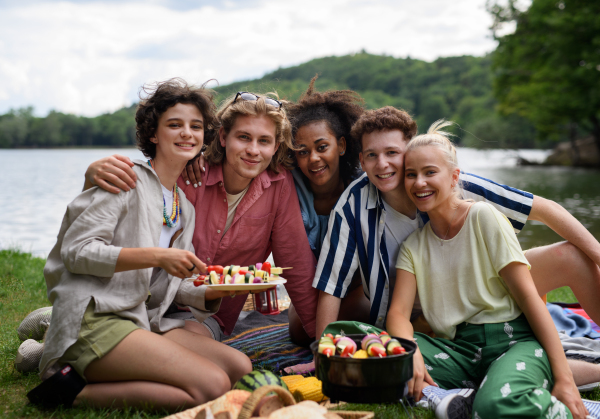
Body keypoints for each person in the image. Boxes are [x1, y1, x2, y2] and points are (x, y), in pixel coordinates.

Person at [28, 79, 252, 411]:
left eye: (196, 126)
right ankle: (66, 390)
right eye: (174, 125)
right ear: (153, 133)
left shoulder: (183, 207)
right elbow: (76, 252)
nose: (187, 133)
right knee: (213, 384)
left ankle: (101, 373)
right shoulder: (123, 178)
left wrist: (213, 291)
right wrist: (157, 256)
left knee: (239, 369)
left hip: (140, 318)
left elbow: (171, 288)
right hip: (93, 319)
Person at [313, 106, 600, 343]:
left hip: (478, 290)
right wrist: (321, 350)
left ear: (410, 150)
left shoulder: (450, 182)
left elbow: (546, 209)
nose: (382, 164)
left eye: (392, 153)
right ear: (361, 161)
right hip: (420, 315)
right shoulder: (352, 205)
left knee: (571, 257)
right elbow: (331, 286)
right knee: (302, 324)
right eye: (372, 156)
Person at [387, 120, 587, 419]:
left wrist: (565, 379)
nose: (419, 183)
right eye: (411, 175)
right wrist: (409, 348)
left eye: (430, 172)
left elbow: (531, 299)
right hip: (460, 351)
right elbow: (398, 314)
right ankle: (462, 395)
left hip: (513, 341)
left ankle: (532, 402)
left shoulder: (484, 217)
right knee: (368, 344)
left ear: (454, 177)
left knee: (495, 406)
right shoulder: (413, 246)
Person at [84, 91, 319, 344]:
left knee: (185, 350)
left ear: (276, 146)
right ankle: (80, 327)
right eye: (243, 137)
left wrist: (321, 339)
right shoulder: (191, 170)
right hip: (146, 297)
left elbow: (296, 264)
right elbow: (128, 218)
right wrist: (90, 178)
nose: (253, 150)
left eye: (264, 141)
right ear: (223, 136)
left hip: (206, 312)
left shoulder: (278, 185)